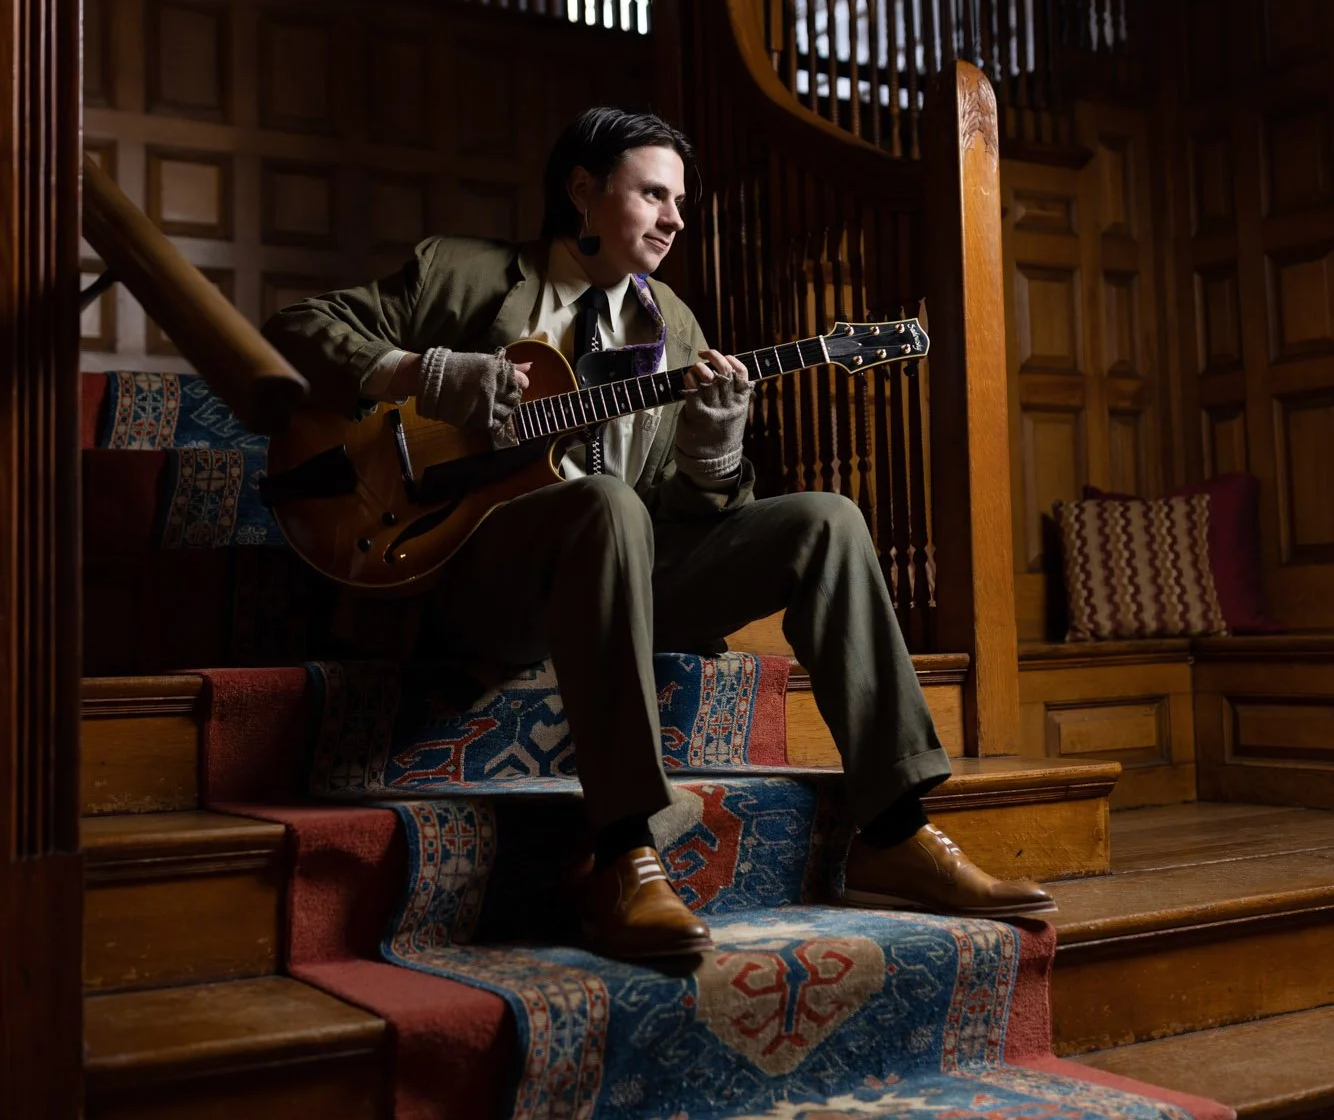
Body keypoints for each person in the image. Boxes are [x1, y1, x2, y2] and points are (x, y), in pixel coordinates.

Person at [264, 106, 1053, 960]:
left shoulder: (671, 323)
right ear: (582, 192)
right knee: (605, 502)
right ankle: (624, 851)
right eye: (653, 194)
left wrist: (714, 454)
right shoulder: (462, 272)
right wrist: (424, 371)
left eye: (680, 201)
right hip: (466, 570)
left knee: (826, 519)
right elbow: (294, 329)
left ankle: (894, 830)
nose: (677, 218)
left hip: (622, 572)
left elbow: (690, 516)